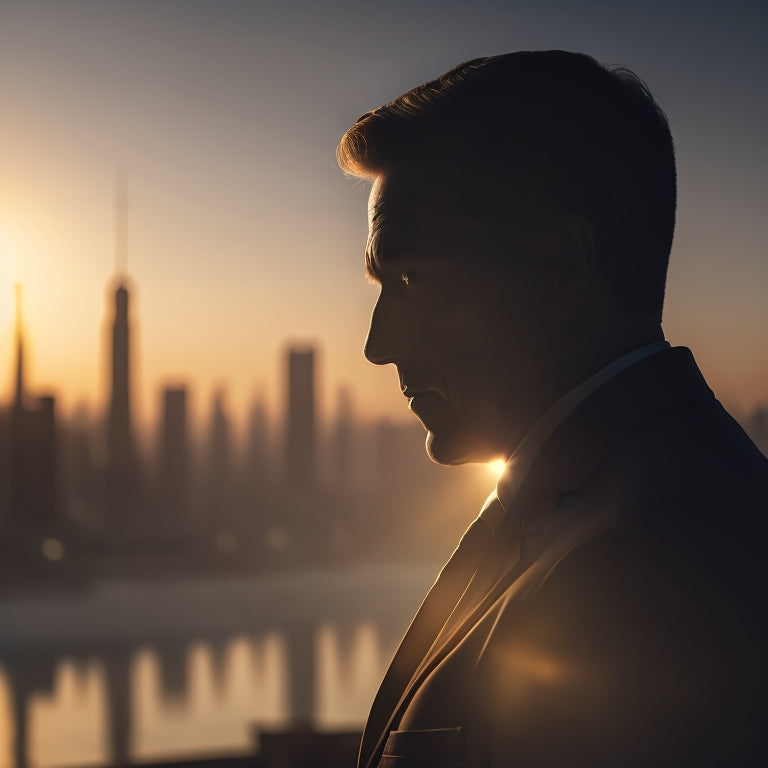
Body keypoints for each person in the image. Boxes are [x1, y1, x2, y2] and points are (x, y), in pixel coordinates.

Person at [336, 51, 768, 768]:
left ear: (562, 264)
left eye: (412, 279)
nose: (379, 345)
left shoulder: (653, 566)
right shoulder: (598, 510)